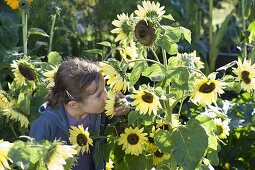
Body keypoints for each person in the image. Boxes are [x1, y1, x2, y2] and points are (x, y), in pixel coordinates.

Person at [29, 58, 129, 170]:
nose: (106, 96)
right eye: (98, 95)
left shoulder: (98, 111)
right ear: (74, 104)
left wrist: (126, 106)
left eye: (104, 89)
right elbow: (33, 160)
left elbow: (129, 104)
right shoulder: (46, 125)